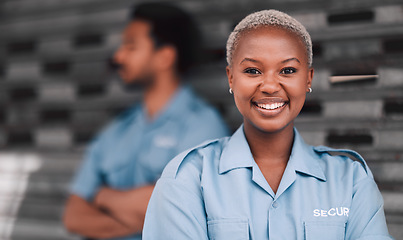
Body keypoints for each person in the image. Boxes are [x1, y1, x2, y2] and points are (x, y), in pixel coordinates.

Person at [142, 9, 393, 240]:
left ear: (308, 78)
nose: (270, 86)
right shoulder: (188, 178)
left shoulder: (350, 180)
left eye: (288, 71)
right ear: (231, 78)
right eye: (252, 71)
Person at [62, 2, 229, 240]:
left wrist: (103, 197)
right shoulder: (116, 130)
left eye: (131, 46)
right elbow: (73, 216)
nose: (118, 56)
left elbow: (183, 209)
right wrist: (146, 215)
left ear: (164, 57)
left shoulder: (203, 126)